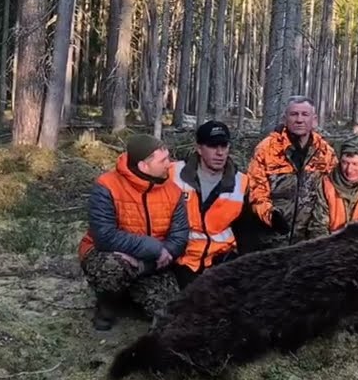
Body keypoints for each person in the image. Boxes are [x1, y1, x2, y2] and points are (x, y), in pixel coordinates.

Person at [78, 133, 189, 331]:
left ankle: (131, 297)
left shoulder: (174, 191)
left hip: (154, 262)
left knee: (171, 311)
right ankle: (108, 304)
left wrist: (152, 259)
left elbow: (179, 236)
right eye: (163, 160)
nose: (169, 164)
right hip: (111, 254)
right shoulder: (107, 186)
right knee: (113, 267)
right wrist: (154, 248)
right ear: (143, 166)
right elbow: (104, 237)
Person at [245, 95, 337, 247]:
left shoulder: (326, 153)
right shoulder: (267, 149)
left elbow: (334, 195)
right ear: (285, 118)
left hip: (311, 241)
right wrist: (270, 216)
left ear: (314, 120)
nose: (299, 120)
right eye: (294, 114)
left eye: (304, 114)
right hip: (272, 238)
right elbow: (256, 190)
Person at [168, 120, 249, 285]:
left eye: (224, 146)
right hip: (178, 260)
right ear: (199, 148)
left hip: (221, 262)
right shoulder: (172, 174)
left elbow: (247, 232)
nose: (220, 153)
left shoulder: (242, 182)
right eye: (213, 146)